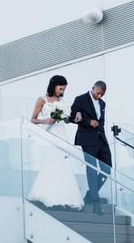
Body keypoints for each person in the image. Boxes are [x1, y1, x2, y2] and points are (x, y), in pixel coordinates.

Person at [27, 75, 83, 209]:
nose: (61, 91)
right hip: (49, 133)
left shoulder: (61, 100)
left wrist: (73, 117)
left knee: (63, 163)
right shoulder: (42, 99)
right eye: (60, 88)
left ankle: (64, 196)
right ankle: (49, 193)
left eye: (63, 89)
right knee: (50, 161)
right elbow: (33, 119)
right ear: (54, 86)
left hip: (61, 133)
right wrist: (46, 120)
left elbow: (66, 119)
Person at [70, 80, 112, 215]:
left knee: (107, 169)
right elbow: (71, 116)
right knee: (92, 170)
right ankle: (95, 201)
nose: (99, 96)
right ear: (93, 88)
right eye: (98, 93)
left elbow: (101, 122)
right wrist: (87, 121)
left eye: (102, 94)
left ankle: (89, 195)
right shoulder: (81, 99)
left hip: (101, 139)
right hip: (87, 139)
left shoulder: (102, 103)